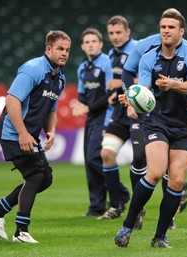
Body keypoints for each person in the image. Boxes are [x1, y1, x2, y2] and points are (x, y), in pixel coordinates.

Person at [114, 8, 187, 248]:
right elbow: (145, 92)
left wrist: (173, 84)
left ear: (181, 31)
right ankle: (127, 225)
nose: (166, 31)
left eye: (171, 27)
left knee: (176, 180)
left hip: (184, 125)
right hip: (157, 122)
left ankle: (160, 237)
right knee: (154, 172)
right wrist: (133, 103)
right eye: (163, 27)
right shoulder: (148, 58)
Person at [0, 30, 71, 243]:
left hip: (29, 134)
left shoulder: (60, 78)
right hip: (13, 132)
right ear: (48, 49)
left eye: (67, 50)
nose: (64, 53)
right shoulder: (33, 69)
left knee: (45, 179)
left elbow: (51, 110)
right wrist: (22, 133)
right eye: (60, 49)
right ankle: (21, 231)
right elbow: (12, 100)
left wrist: (51, 130)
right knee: (35, 175)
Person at [98, 15, 139, 219]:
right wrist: (117, 92)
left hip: (141, 113)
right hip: (120, 113)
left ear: (128, 32)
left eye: (118, 32)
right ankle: (115, 205)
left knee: (144, 163)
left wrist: (120, 82)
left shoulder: (138, 50)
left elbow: (149, 78)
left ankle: (178, 186)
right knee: (106, 154)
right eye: (111, 33)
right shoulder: (111, 55)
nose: (114, 37)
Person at [70, 27, 113, 217]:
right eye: (87, 42)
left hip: (106, 116)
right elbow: (82, 95)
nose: (90, 45)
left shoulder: (107, 63)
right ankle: (96, 206)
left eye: (94, 41)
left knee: (95, 157)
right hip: (91, 118)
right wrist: (78, 105)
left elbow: (111, 92)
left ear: (101, 44)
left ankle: (120, 194)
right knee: (90, 161)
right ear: (82, 46)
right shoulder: (82, 68)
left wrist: (87, 108)